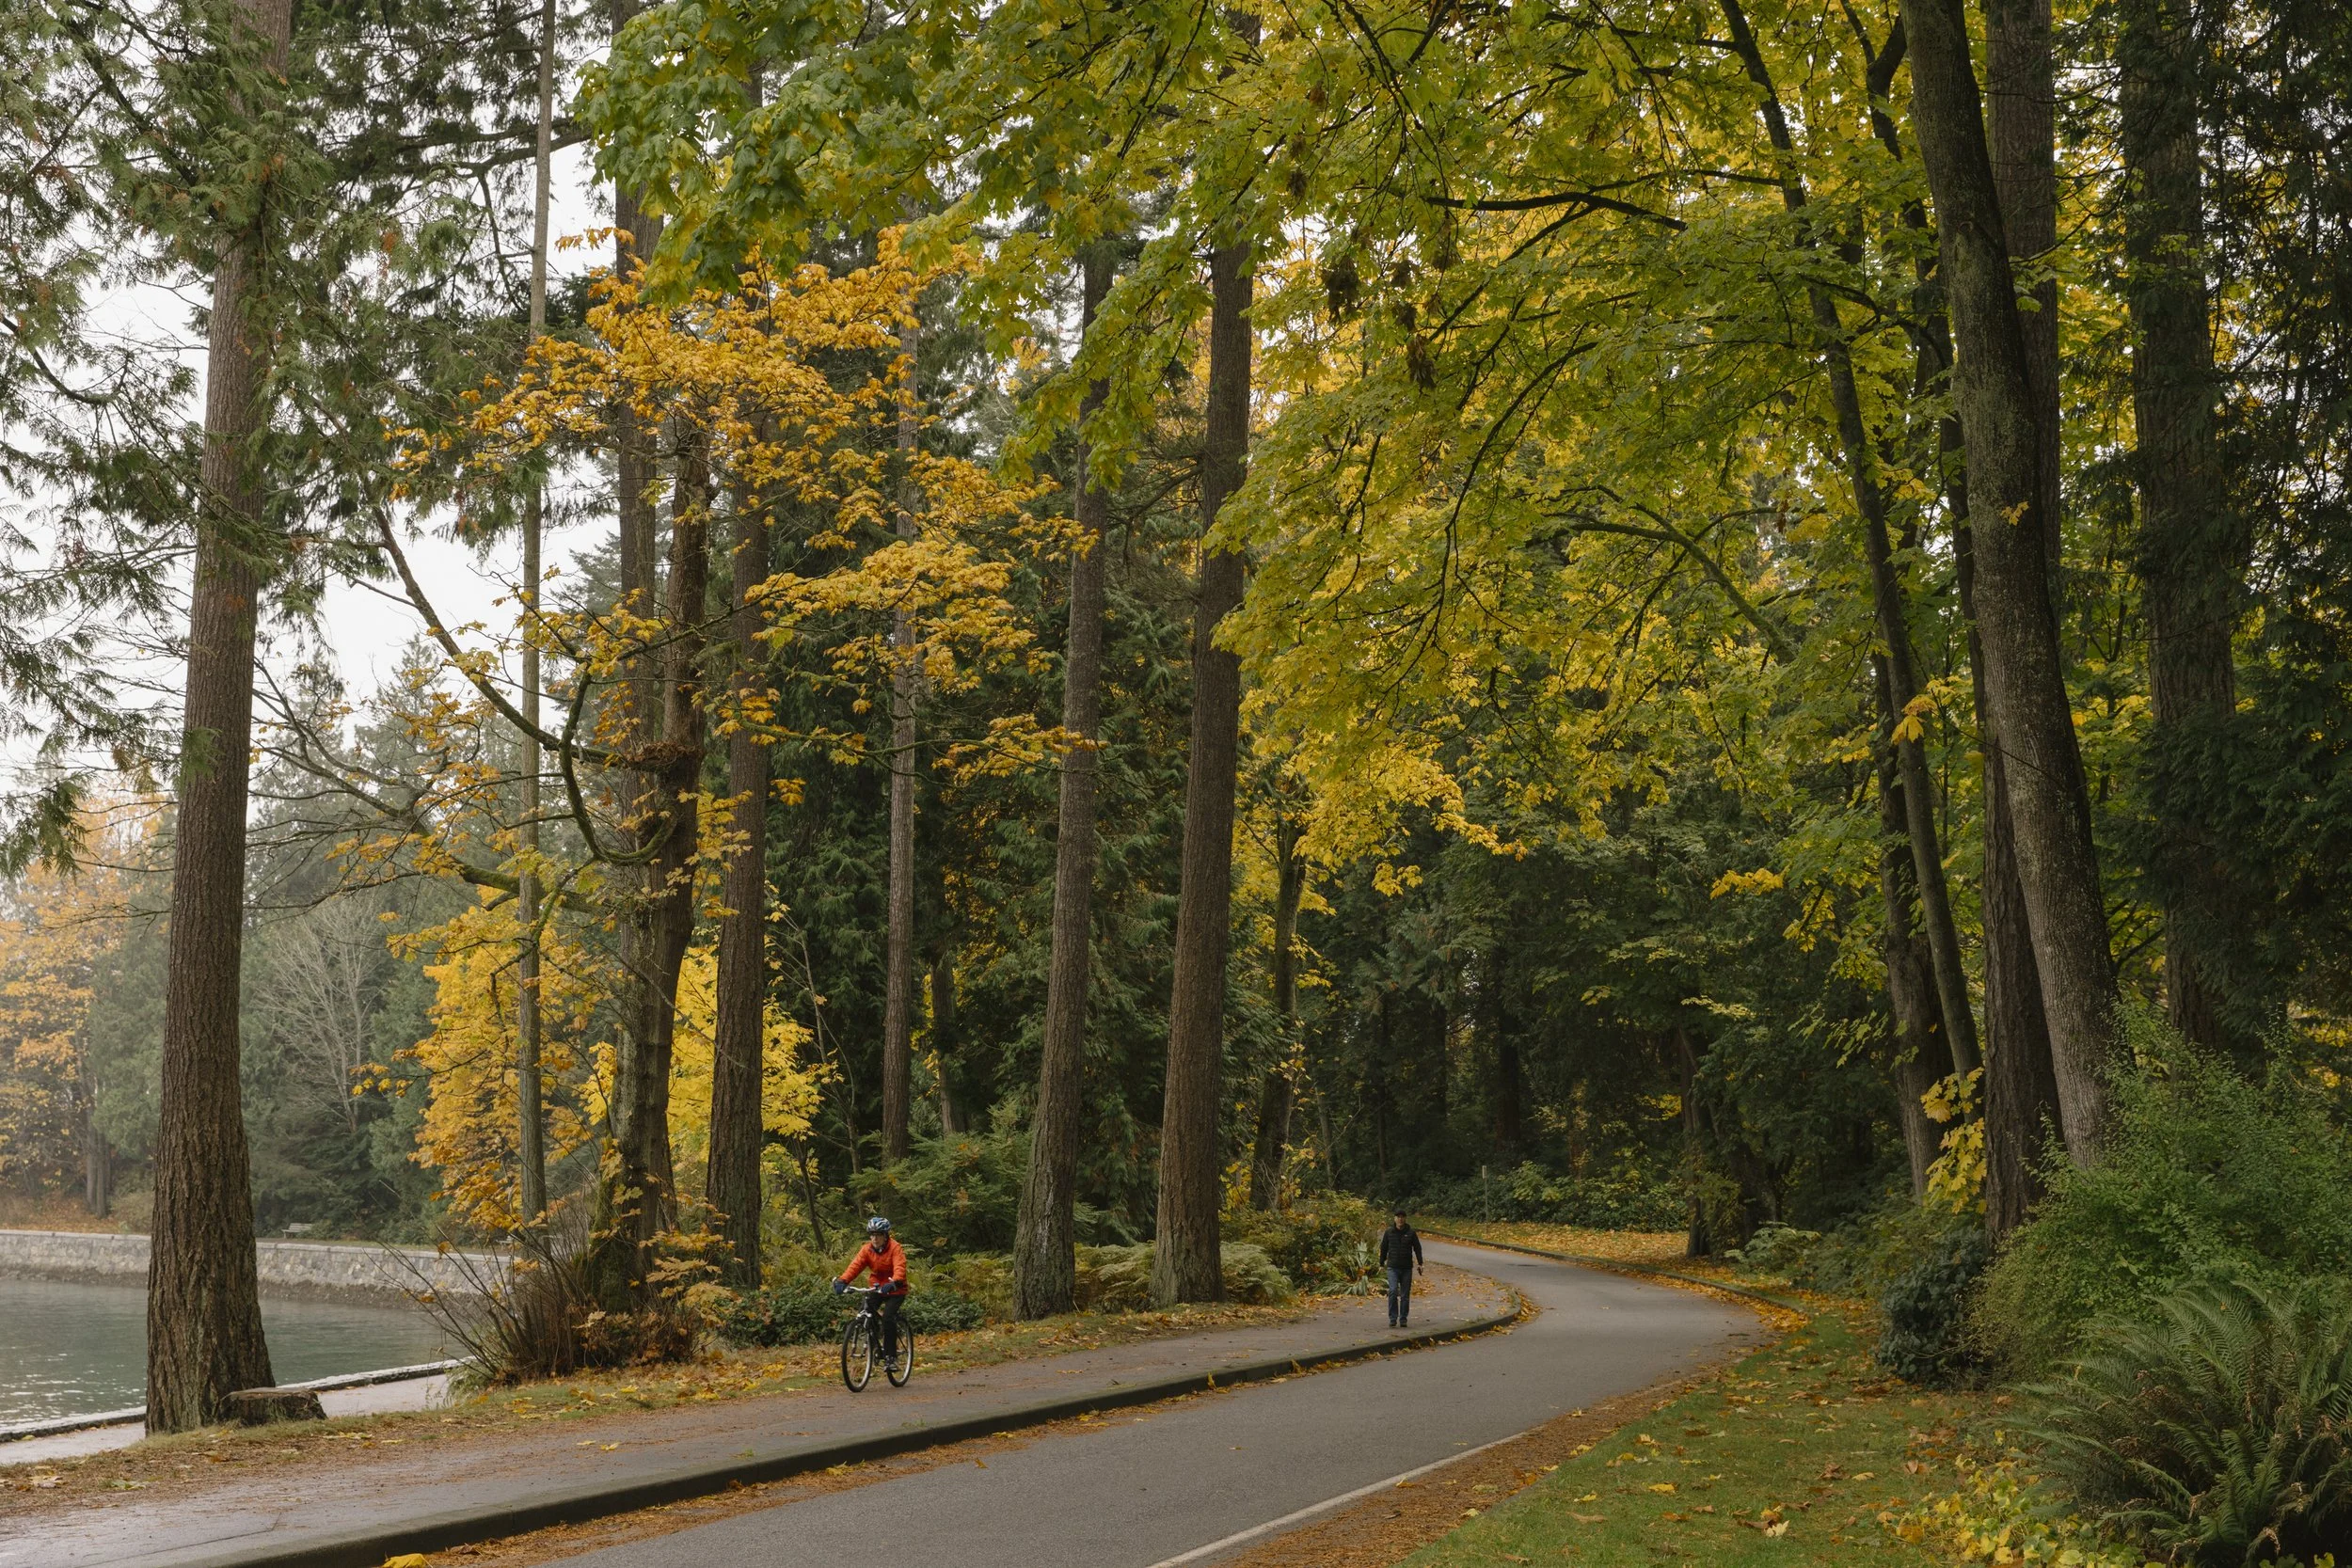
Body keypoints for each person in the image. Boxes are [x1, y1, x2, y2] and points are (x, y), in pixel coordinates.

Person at [835, 1215, 910, 1364]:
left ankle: (891, 1356)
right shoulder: (867, 1250)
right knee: (866, 1312)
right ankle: (875, 1347)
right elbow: (855, 1266)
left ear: (885, 1236)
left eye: (878, 1235)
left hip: (895, 1289)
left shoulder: (895, 1248)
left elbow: (899, 1268)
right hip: (876, 1287)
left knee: (888, 1317)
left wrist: (895, 1281)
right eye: (872, 1235)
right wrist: (843, 1280)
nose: (875, 1239)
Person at [1377, 1211, 1423, 1328]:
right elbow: (1384, 1248)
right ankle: (1393, 1318)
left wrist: (1420, 1263)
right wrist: (1381, 1263)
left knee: (1404, 1294)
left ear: (1405, 1219)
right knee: (1392, 1291)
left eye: (1402, 1217)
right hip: (1392, 1267)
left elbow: (1417, 1248)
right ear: (1394, 1219)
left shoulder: (1411, 1233)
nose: (1400, 1219)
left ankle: (1403, 1318)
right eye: (1398, 1217)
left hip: (1407, 1267)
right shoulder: (1389, 1232)